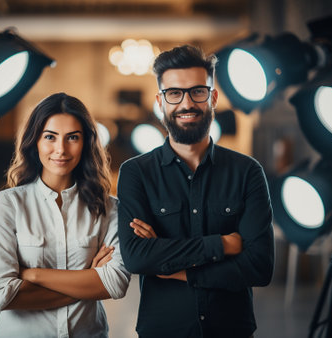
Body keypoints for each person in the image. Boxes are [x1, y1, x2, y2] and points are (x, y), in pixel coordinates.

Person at [117, 45, 274, 338]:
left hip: (232, 330)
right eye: (174, 93)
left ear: (212, 97)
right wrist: (224, 245)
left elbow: (259, 267)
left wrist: (176, 269)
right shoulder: (135, 172)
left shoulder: (247, 171)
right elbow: (138, 258)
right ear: (160, 101)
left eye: (197, 92)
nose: (186, 103)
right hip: (163, 330)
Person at [0, 93, 130, 338]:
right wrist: (90, 281)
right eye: (50, 137)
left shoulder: (109, 208)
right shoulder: (10, 204)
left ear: (86, 143)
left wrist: (33, 274)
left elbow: (114, 283)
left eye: (73, 137)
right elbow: (2, 294)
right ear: (35, 142)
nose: (61, 149)